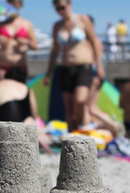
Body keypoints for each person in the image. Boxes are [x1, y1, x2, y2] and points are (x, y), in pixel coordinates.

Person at [45, 0, 102, 132]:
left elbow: (94, 41)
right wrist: (48, 73)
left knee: (80, 100)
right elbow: (55, 51)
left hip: (83, 66)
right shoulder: (57, 26)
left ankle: (83, 127)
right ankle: (72, 139)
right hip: (65, 68)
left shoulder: (83, 20)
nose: (60, 11)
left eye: (62, 7)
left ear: (69, 5)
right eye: (57, 9)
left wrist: (99, 65)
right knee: (69, 107)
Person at [0, 66, 52, 153]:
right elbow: (34, 114)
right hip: (10, 116)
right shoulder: (24, 87)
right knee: (31, 121)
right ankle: (43, 144)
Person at [0, 0, 37, 82]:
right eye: (10, 6)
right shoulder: (1, 24)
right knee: (2, 92)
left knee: (19, 92)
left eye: (15, 6)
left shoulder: (27, 24)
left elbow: (35, 46)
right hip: (2, 66)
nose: (12, 8)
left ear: (20, 6)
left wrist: (26, 42)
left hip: (19, 67)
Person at [85, 16, 120, 135]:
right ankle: (112, 125)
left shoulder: (92, 40)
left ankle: (114, 126)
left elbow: (93, 59)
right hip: (97, 74)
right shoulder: (95, 40)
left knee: (90, 107)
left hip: (93, 74)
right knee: (92, 107)